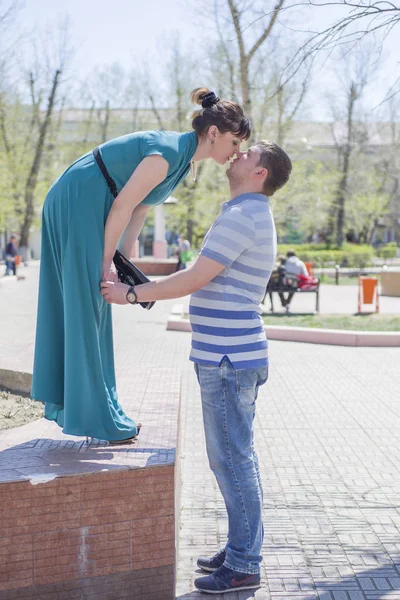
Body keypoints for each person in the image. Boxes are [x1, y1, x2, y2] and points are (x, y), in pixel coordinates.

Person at [101, 139, 292, 593]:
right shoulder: (243, 212)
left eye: (250, 153)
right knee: (234, 458)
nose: (238, 153)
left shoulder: (245, 215)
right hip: (227, 355)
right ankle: (241, 546)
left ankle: (245, 561)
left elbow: (193, 279)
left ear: (261, 172)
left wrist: (132, 294)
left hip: (229, 359)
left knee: (232, 461)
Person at [31, 87, 250, 444]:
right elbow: (121, 208)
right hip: (80, 200)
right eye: (235, 143)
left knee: (93, 306)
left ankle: (100, 409)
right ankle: (96, 416)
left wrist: (123, 260)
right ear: (214, 133)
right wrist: (105, 262)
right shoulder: (166, 153)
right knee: (90, 305)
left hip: (91, 202)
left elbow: (140, 209)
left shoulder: (183, 160)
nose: (236, 153)